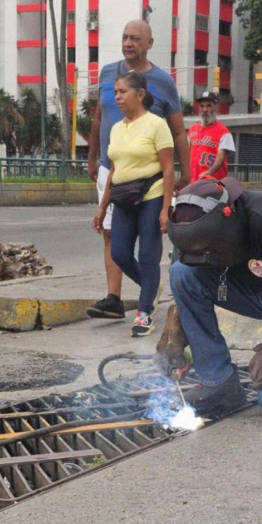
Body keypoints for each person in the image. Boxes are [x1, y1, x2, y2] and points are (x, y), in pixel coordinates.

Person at [158, 177, 262, 418]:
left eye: (209, 252)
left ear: (228, 220)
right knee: (181, 272)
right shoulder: (193, 226)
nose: (205, 258)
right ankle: (219, 383)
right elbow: (189, 280)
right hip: (258, 288)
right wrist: (175, 332)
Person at [86, 19, 189, 320]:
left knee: (149, 239)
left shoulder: (163, 82)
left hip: (151, 175)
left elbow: (179, 131)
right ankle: (114, 299)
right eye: (124, 37)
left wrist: (186, 172)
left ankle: (147, 293)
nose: (128, 43)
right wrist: (92, 157)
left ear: (148, 44)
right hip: (113, 167)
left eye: (135, 38)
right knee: (109, 234)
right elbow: (97, 118)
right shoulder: (108, 73)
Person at [92, 71, 175, 337]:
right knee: (119, 253)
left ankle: (143, 313)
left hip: (151, 195)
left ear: (140, 94)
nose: (117, 96)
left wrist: (165, 209)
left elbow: (168, 168)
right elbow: (114, 170)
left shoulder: (156, 125)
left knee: (148, 256)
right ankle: (150, 288)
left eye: (122, 91)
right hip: (124, 198)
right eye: (115, 91)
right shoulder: (117, 129)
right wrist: (102, 206)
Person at [188, 90, 234, 182]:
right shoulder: (192, 129)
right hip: (194, 183)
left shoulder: (223, 131)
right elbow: (185, 155)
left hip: (217, 183)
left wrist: (209, 172)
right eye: (202, 106)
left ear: (216, 107)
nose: (205, 109)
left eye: (209, 105)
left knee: (223, 192)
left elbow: (220, 157)